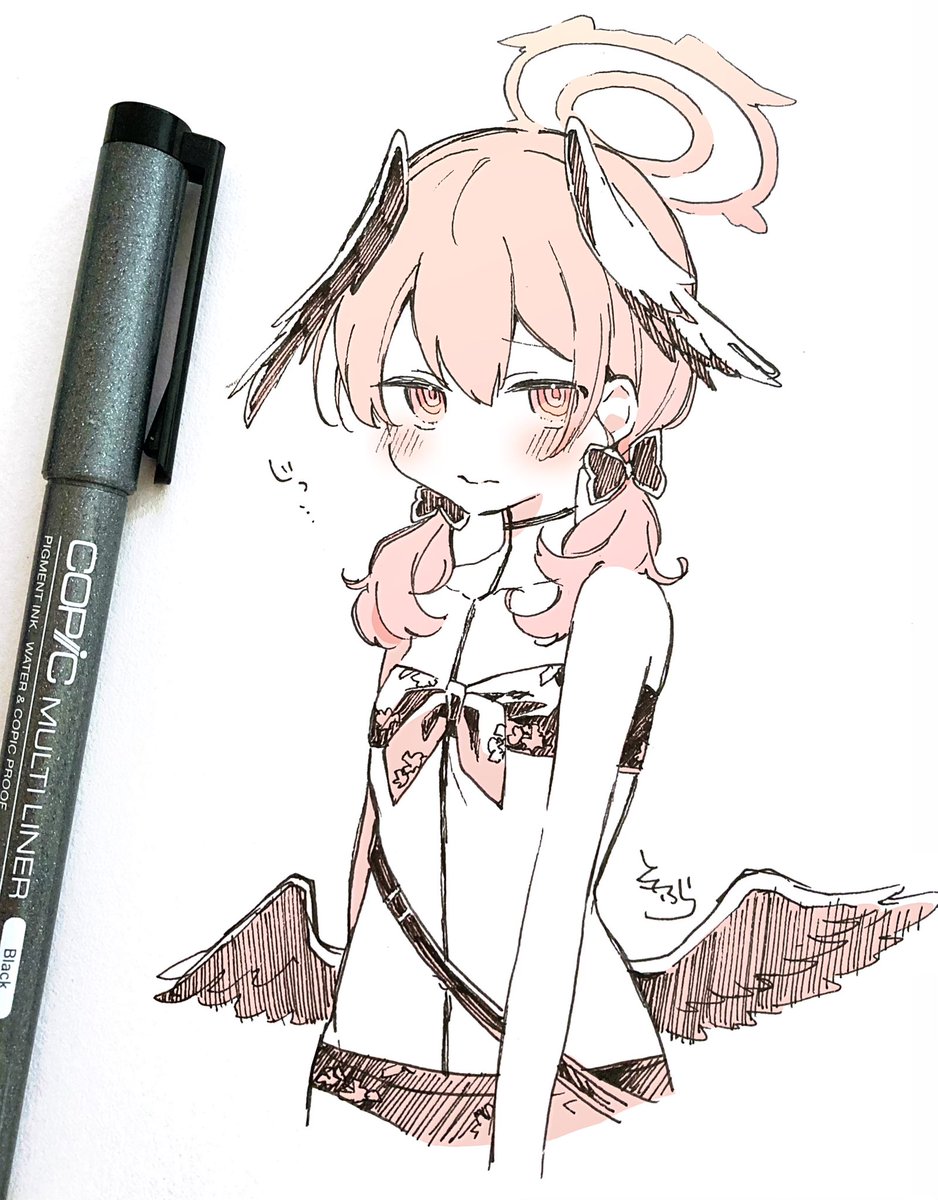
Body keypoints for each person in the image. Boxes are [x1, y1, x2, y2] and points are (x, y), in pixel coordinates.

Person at [156, 19, 934, 1177]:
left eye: (529, 390)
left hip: (555, 1074)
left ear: (614, 401)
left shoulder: (615, 609)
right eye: (420, 394)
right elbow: (370, 845)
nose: (465, 435)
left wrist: (514, 1156)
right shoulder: (421, 592)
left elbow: (559, 884)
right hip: (364, 1053)